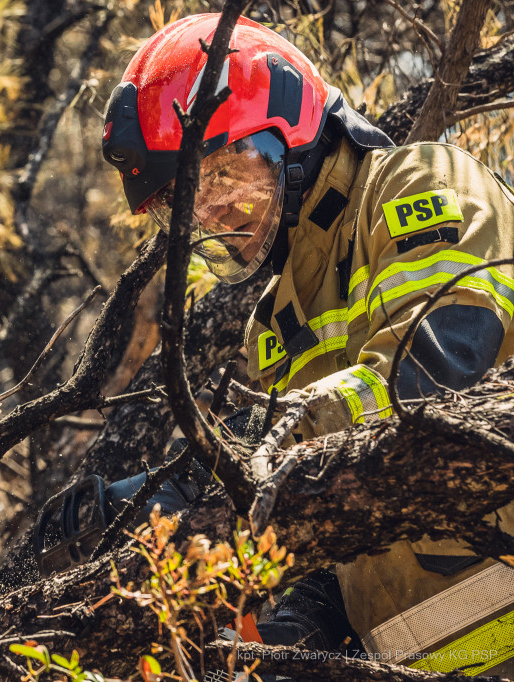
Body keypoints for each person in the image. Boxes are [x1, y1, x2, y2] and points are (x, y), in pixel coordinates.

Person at [59, 12, 514, 676]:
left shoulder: (419, 185)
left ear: (286, 122)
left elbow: (430, 381)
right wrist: (293, 629)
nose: (208, 213)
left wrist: (230, 457)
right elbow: (332, 510)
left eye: (218, 174)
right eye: (185, 202)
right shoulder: (275, 323)